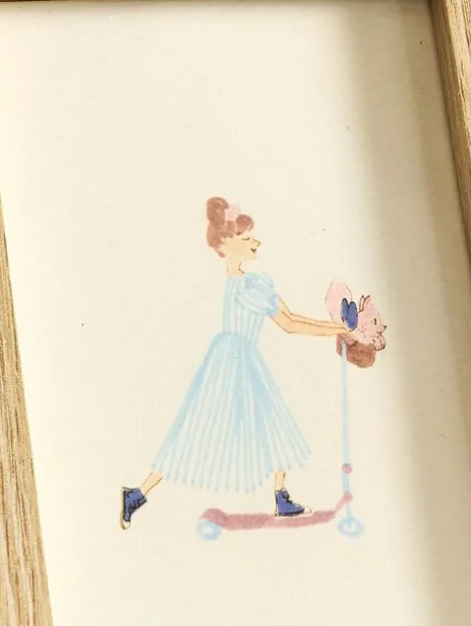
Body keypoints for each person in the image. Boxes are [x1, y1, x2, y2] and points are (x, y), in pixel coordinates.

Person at [121, 198, 344, 528]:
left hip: (237, 358)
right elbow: (291, 323)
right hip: (233, 363)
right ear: (226, 243)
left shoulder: (250, 283)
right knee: (201, 429)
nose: (256, 242)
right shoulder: (249, 287)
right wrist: (338, 329)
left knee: (269, 422)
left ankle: (280, 496)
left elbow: (291, 320)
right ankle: (138, 492)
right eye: (247, 237)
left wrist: (336, 329)